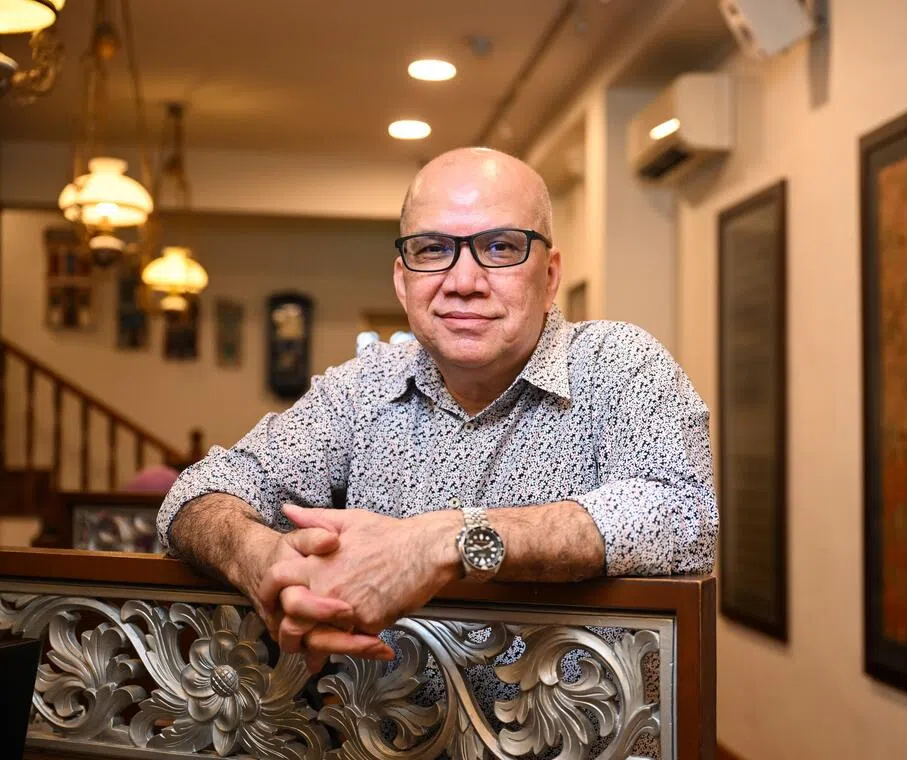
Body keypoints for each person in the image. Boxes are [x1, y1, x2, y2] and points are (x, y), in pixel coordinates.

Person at [158, 146, 718, 672]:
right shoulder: (360, 387)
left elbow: (684, 515)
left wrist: (443, 542)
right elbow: (196, 495)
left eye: (501, 248)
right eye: (432, 249)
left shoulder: (618, 362)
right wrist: (262, 559)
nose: (464, 282)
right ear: (402, 282)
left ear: (549, 277)